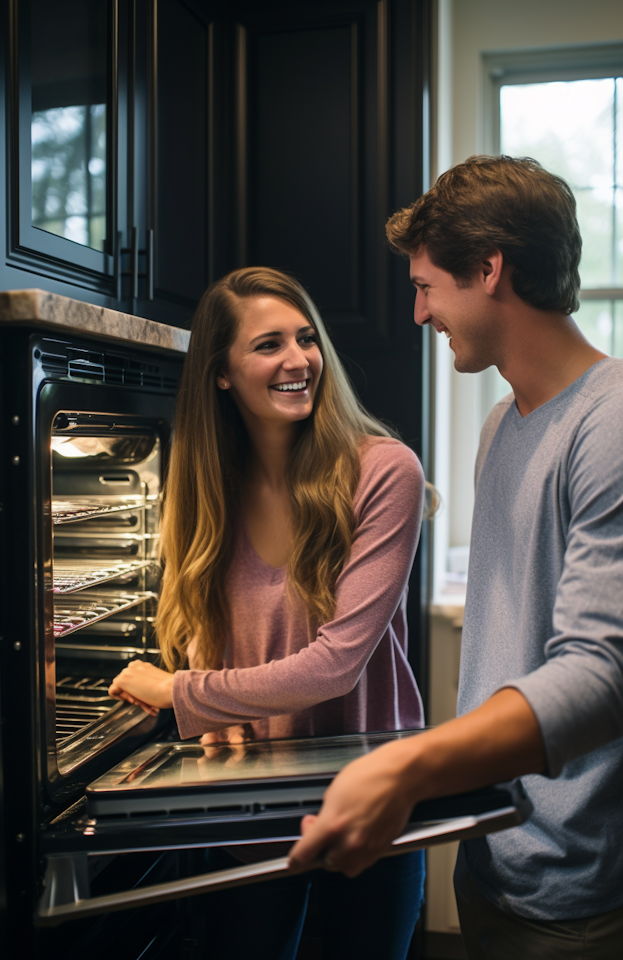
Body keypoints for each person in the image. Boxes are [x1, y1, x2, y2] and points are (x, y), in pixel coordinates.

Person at [289, 156, 623, 958]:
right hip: (495, 849)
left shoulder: (609, 424)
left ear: (489, 269)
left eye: (427, 286)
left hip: (580, 891)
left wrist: (409, 769)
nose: (417, 313)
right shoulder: (501, 426)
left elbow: (601, 676)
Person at [109, 266, 427, 960]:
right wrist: (214, 699)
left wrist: (182, 693)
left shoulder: (384, 470)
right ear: (221, 373)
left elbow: (336, 665)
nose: (297, 360)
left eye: (306, 339)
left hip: (368, 791)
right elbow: (197, 617)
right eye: (267, 345)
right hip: (246, 795)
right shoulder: (204, 481)